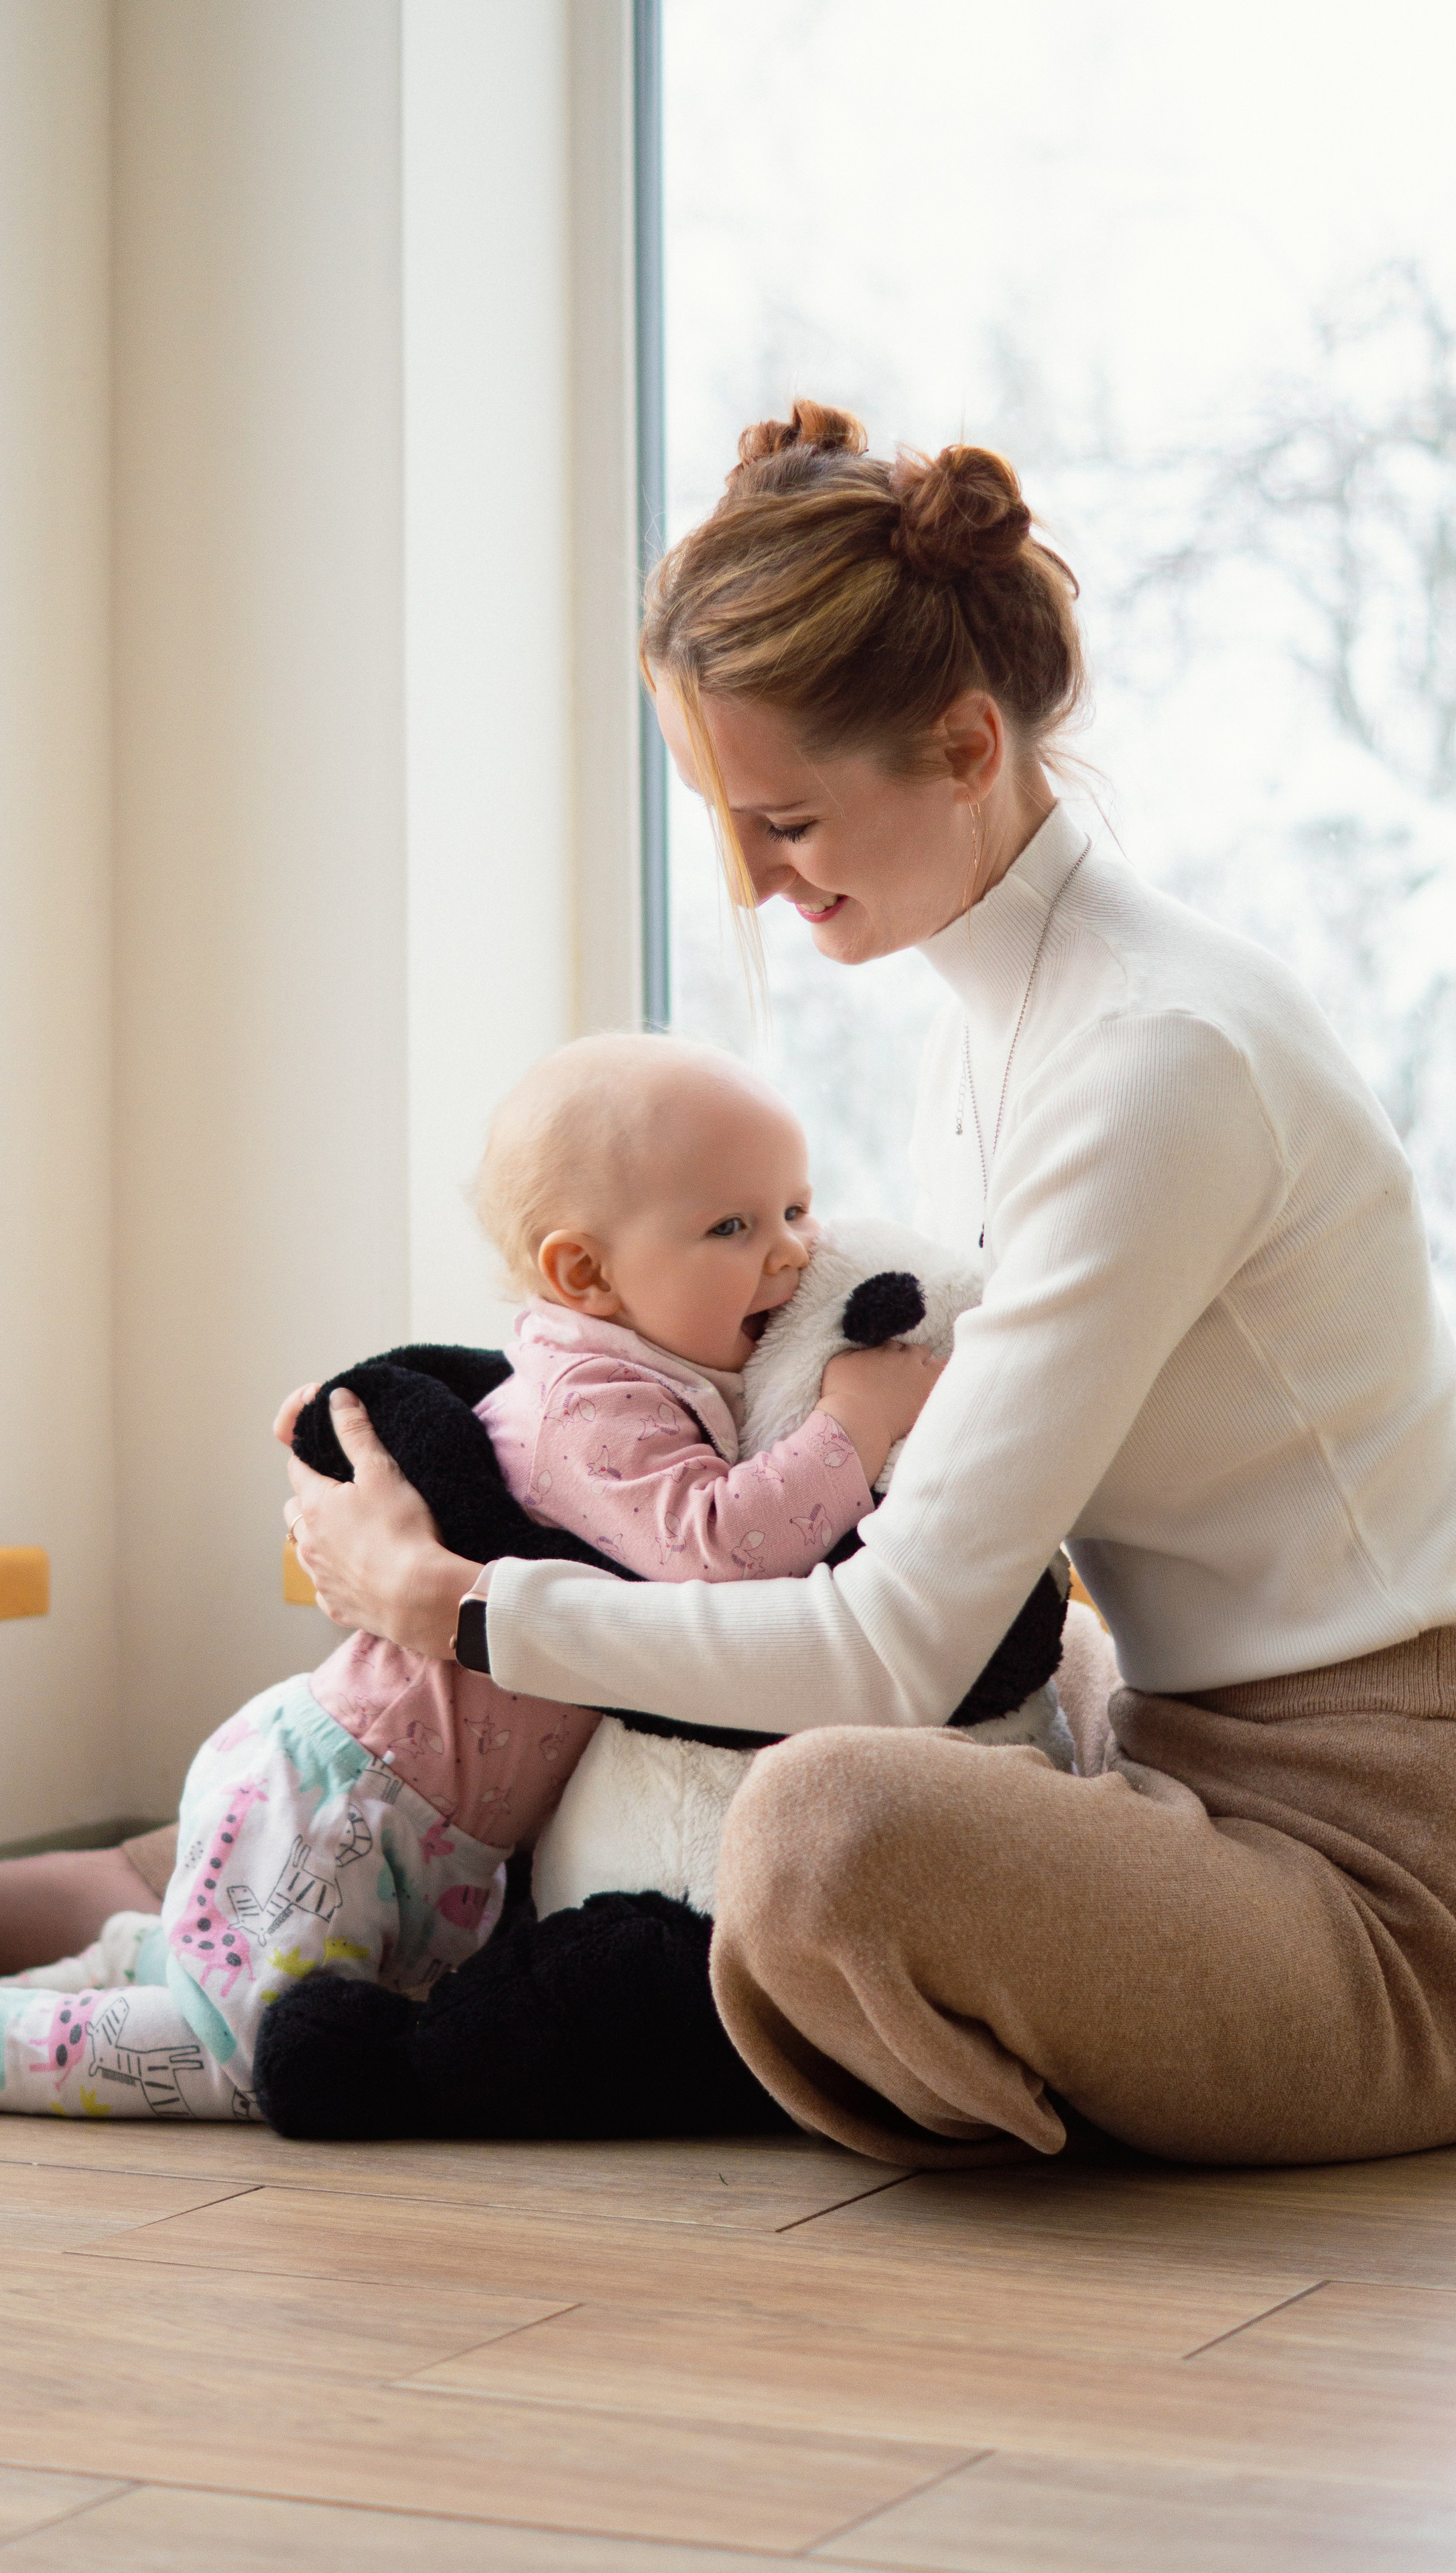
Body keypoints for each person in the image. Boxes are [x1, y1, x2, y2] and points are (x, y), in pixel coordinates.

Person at [283, 400, 1456, 2173]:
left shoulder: (1155, 1061)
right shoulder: (992, 1038)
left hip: (1382, 1868)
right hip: (1155, 1762)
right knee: (694, 1780)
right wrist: (444, 1446)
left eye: (785, 820)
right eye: (723, 823)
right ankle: (203, 1906)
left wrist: (460, 1604)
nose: (752, 881)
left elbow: (889, 1648)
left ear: (966, 745)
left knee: (820, 1824)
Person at [0, 1035, 935, 2119]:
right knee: (271, 2059)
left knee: (321, 2011)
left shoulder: (662, 1376)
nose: (792, 1254)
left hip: (433, 1829)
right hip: (346, 1802)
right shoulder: (591, 1404)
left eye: (798, 1209)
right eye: (735, 1226)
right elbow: (721, 1550)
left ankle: (137, 1956)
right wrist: (858, 1417)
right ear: (584, 1274)